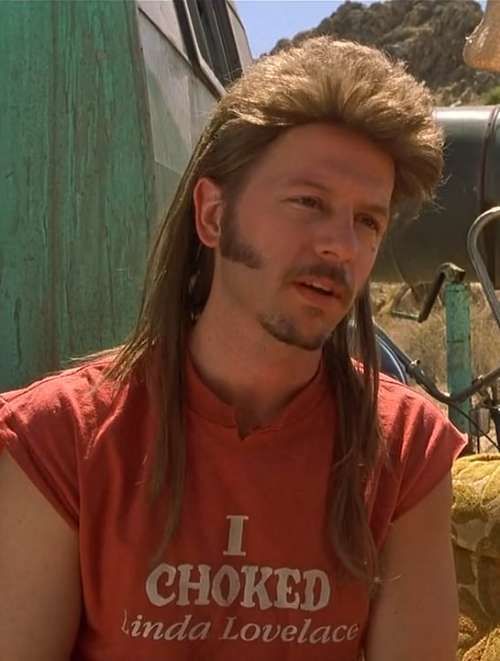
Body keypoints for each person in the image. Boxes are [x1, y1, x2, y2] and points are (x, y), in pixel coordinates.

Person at [0, 36, 466, 661]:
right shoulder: (55, 442)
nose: (342, 246)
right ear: (214, 216)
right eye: (309, 203)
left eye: (368, 221)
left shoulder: (406, 448)